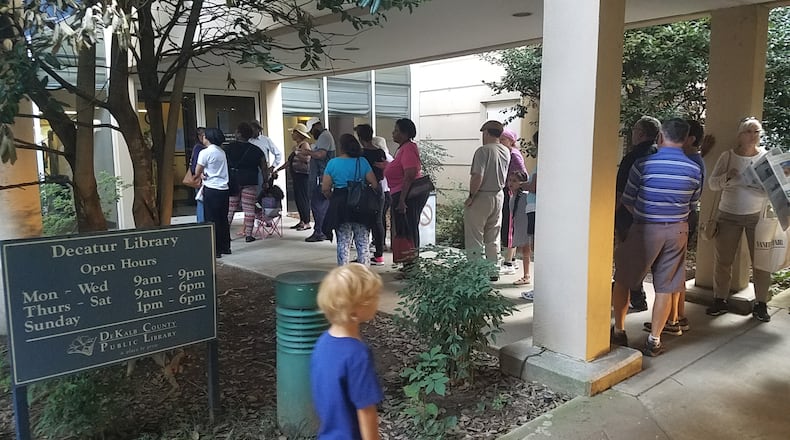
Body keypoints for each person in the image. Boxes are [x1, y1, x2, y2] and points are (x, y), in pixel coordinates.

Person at [611, 118, 702, 357]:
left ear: (661, 136)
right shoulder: (694, 169)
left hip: (644, 228)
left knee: (623, 278)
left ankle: (619, 330)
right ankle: (654, 340)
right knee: (666, 286)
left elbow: (628, 201)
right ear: (684, 139)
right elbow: (692, 205)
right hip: (677, 231)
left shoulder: (643, 164)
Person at [643, 119, 713, 335]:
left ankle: (674, 319)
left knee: (666, 276)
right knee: (672, 275)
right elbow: (695, 197)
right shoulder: (694, 162)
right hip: (680, 224)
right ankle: (673, 319)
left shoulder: (650, 163)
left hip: (663, 225)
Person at [706, 117, 772, 322]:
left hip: (757, 216)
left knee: (761, 262)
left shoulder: (766, 157)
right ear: (739, 135)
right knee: (724, 260)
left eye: (757, 132)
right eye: (749, 131)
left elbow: (775, 186)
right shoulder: (728, 157)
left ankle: (761, 304)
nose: (753, 136)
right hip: (729, 215)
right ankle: (720, 299)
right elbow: (712, 185)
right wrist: (728, 176)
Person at [311, 263, 384, 440]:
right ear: (356, 310)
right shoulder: (357, 355)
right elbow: (366, 411)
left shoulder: (322, 344)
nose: (377, 300)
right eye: (373, 297)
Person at [614, 116, 661, 313]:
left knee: (627, 261)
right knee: (656, 263)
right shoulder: (662, 155)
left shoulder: (632, 159)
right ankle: (662, 307)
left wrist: (611, 217)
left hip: (629, 217)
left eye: (634, 130)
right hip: (659, 218)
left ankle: (632, 299)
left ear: (640, 133)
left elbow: (620, 193)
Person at [322, 134, 379, 266]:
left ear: (341, 147)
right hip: (361, 205)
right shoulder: (362, 162)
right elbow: (375, 184)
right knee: (363, 243)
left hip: (340, 205)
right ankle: (365, 276)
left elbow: (325, 188)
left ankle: (343, 275)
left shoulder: (333, 163)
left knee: (343, 242)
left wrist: (333, 198)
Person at [463, 120, 511, 277]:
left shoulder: (483, 151)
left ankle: (476, 271)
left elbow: (478, 175)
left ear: (487, 132)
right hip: (499, 194)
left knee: (475, 235)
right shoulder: (506, 151)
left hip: (482, 195)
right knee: (493, 235)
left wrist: (471, 196)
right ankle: (493, 270)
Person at [384, 118, 429, 262]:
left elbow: (410, 174)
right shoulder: (403, 148)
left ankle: (411, 265)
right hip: (400, 193)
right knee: (404, 227)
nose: (393, 133)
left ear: (404, 133)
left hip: (408, 195)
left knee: (408, 228)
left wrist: (402, 200)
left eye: (396, 130)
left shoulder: (409, 148)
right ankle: (407, 263)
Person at [226, 122, 268, 243]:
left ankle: (226, 234)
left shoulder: (229, 148)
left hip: (234, 180)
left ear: (239, 133)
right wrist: (265, 181)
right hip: (250, 180)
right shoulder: (257, 150)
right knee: (249, 208)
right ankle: (249, 235)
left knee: (230, 208)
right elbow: (264, 167)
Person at [194, 128, 232, 257]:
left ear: (207, 137)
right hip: (224, 189)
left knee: (211, 219)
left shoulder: (205, 153)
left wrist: (200, 175)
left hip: (211, 188)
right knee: (223, 218)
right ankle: (225, 246)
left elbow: (197, 171)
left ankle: (215, 250)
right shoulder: (221, 152)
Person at [355, 124, 388, 266]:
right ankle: (379, 255)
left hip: (365, 189)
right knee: (378, 221)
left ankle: (363, 255)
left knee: (362, 222)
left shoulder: (361, 154)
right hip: (379, 189)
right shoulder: (380, 152)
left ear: (360, 137)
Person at [302, 119, 336, 242]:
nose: (311, 134)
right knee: (321, 206)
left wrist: (308, 152)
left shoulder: (324, 136)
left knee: (318, 206)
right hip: (321, 176)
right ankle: (322, 230)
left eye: (311, 131)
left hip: (321, 177)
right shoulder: (324, 136)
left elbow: (320, 154)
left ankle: (320, 232)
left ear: (316, 126)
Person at [500, 128, 527, 276]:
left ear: (511, 141)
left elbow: (523, 175)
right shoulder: (509, 153)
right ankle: (513, 259)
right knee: (510, 225)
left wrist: (514, 186)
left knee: (509, 226)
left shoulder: (514, 155)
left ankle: (508, 262)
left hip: (512, 193)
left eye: (503, 139)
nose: (500, 142)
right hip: (510, 192)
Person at [276, 123, 312, 231]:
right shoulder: (296, 146)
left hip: (302, 175)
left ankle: (306, 222)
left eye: (294, 132)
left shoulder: (304, 145)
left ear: (299, 134)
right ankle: (302, 220)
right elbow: (289, 162)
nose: (292, 134)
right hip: (296, 175)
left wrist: (297, 153)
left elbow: (307, 159)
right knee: (298, 198)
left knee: (303, 198)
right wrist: (278, 169)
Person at [508, 171, 532, 286]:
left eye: (514, 181)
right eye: (510, 180)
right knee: (524, 250)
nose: (511, 183)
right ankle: (525, 274)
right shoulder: (513, 197)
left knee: (526, 250)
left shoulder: (525, 196)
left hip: (526, 226)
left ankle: (526, 275)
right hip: (520, 225)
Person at [372, 136, 394, 254]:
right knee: (381, 218)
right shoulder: (389, 157)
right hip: (388, 191)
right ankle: (380, 241)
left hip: (384, 190)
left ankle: (380, 243)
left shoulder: (381, 158)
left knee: (379, 219)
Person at [189, 127, 206, 222]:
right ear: (199, 136)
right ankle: (202, 223)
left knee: (201, 201)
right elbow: (196, 165)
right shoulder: (199, 148)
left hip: (200, 177)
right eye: (203, 135)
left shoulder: (198, 148)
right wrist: (198, 175)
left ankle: (202, 222)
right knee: (201, 201)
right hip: (200, 178)